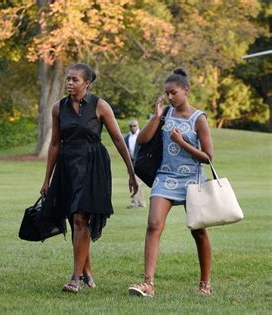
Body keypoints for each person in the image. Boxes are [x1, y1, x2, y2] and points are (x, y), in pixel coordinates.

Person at [40, 63, 138, 293]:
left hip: (93, 165)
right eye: (68, 79)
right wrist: (47, 180)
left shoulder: (100, 106)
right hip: (67, 166)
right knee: (76, 219)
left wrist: (131, 171)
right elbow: (54, 144)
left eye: (75, 80)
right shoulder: (58, 108)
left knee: (81, 218)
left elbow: (117, 140)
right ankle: (87, 272)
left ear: (87, 83)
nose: (70, 83)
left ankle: (75, 278)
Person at [128, 68, 214, 297]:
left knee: (198, 231)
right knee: (153, 225)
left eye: (173, 92)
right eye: (167, 93)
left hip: (192, 181)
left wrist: (182, 142)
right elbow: (143, 141)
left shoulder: (199, 118)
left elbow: (208, 157)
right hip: (165, 177)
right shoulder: (165, 114)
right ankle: (148, 284)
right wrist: (156, 117)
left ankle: (205, 283)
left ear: (186, 90)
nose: (170, 97)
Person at [124, 120, 146, 208]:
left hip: (140, 161)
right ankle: (141, 203)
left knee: (137, 181)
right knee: (135, 181)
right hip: (131, 162)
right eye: (131, 126)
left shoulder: (142, 135)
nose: (132, 127)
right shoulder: (127, 138)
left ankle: (133, 203)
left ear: (137, 126)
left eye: (134, 126)